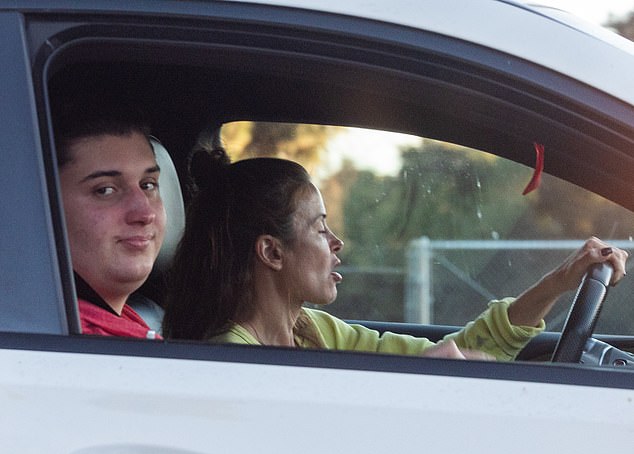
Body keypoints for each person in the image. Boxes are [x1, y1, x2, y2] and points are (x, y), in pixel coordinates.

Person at [163, 151, 628, 360]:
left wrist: (559, 282)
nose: (337, 242)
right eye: (320, 227)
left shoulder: (314, 332)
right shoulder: (234, 360)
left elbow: (464, 351)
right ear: (271, 251)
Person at [55, 108, 166, 338]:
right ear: (44, 206)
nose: (145, 213)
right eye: (105, 190)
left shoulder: (124, 324)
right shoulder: (81, 347)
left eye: (148, 185)